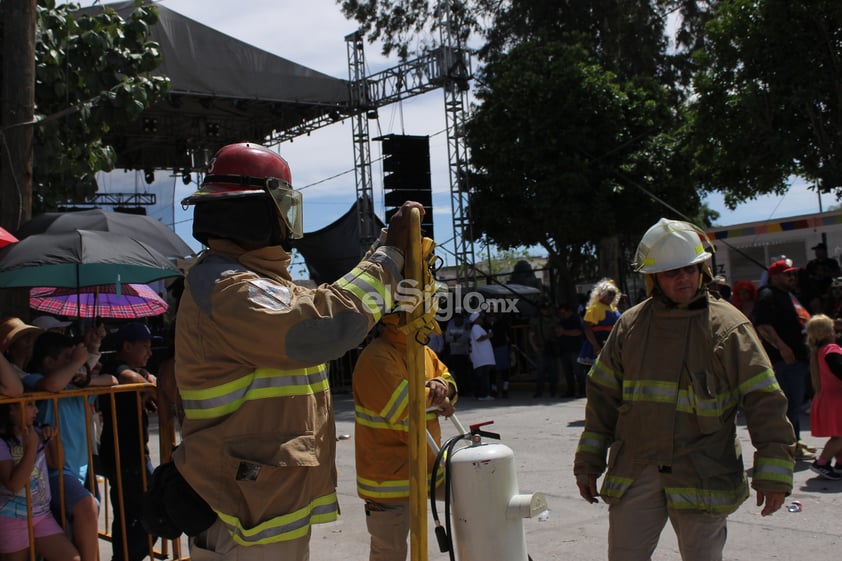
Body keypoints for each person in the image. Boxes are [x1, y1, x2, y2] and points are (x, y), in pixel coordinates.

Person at [173, 141, 422, 559]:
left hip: (260, 501)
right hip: (243, 512)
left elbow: (318, 303)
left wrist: (383, 250)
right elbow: (322, 326)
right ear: (255, 210)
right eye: (282, 205)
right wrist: (389, 259)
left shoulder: (254, 282)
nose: (287, 219)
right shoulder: (230, 288)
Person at [574, 218, 796, 561]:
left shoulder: (728, 327)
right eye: (671, 272)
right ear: (653, 279)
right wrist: (589, 460)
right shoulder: (631, 326)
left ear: (702, 270)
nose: (683, 279)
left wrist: (774, 471)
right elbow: (602, 395)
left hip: (701, 471)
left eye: (690, 269)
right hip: (637, 469)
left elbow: (764, 400)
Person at [352, 314, 457, 561]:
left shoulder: (424, 353)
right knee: (389, 552)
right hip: (388, 481)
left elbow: (451, 383)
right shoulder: (376, 358)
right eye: (424, 327)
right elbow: (403, 407)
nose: (430, 334)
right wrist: (438, 395)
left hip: (428, 469)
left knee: (477, 501)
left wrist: (441, 384)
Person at [23, 332, 117, 561]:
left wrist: (86, 375)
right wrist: (77, 362)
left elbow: (112, 381)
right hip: (52, 472)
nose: (74, 364)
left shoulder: (76, 384)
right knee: (87, 508)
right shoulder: (35, 379)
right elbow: (53, 383)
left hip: (79, 472)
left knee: (85, 516)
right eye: (67, 358)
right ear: (49, 362)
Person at [98, 322, 159, 561]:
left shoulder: (135, 370)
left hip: (136, 455)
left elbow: (146, 379)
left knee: (149, 510)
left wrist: (148, 386)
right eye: (144, 346)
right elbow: (128, 377)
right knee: (134, 513)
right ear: (127, 346)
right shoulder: (115, 366)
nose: (149, 352)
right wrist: (150, 386)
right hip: (123, 456)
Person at [0, 400, 79, 561]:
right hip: (11, 517)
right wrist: (31, 448)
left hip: (41, 515)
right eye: (29, 405)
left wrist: (54, 440)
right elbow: (13, 485)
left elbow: (57, 463)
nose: (36, 410)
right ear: (10, 410)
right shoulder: (2, 442)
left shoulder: (37, 431)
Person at [753, 258, 815, 460]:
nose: (792, 277)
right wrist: (782, 348)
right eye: (787, 274)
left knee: (795, 403)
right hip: (785, 361)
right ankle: (789, 445)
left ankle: (795, 440)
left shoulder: (788, 295)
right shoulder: (767, 295)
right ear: (775, 276)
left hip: (799, 358)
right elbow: (763, 326)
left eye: (793, 274)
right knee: (789, 405)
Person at [804, 315, 842, 479]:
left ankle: (840, 462)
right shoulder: (831, 350)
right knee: (840, 436)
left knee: (838, 435)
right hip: (836, 399)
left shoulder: (819, 350)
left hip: (829, 398)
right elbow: (840, 371)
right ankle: (821, 463)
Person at [576, 279, 621, 370]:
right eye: (609, 293)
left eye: (614, 293)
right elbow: (587, 327)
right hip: (600, 345)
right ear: (601, 293)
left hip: (612, 345)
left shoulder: (613, 308)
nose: (612, 296)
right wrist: (595, 345)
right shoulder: (595, 308)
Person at [529, 300, 559, 398]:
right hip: (541, 348)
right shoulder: (536, 321)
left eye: (548, 309)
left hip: (552, 348)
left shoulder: (555, 320)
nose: (546, 311)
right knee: (540, 371)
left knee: (553, 371)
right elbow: (531, 335)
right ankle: (539, 392)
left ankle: (553, 391)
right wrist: (534, 347)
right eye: (544, 309)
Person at [556, 304, 584, 397]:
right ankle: (570, 391)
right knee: (567, 372)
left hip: (575, 349)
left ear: (569, 311)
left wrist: (564, 332)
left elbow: (578, 332)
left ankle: (582, 391)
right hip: (564, 349)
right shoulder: (562, 321)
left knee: (578, 372)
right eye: (560, 313)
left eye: (563, 312)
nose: (562, 314)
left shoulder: (576, 320)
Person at [443, 312, 472, 397]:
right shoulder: (450, 325)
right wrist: (457, 338)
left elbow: (466, 338)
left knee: (464, 374)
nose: (458, 320)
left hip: (464, 353)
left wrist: (454, 338)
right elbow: (447, 338)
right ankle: (457, 391)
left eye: (460, 318)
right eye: (456, 318)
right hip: (454, 354)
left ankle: (465, 391)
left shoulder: (466, 326)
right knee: (455, 374)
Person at [468, 311, 495, 400]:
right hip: (481, 357)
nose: (481, 319)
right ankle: (483, 395)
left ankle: (481, 394)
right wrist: (489, 336)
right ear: (476, 320)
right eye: (480, 318)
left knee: (484, 375)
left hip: (483, 357)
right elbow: (479, 338)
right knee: (483, 376)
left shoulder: (478, 327)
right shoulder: (475, 327)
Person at [806, 242, 841, 310]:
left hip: (830, 290)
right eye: (816, 251)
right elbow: (807, 277)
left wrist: (825, 274)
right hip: (816, 292)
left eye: (818, 250)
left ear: (824, 251)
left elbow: (838, 274)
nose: (816, 252)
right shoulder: (811, 264)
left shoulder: (831, 262)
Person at [489, 314, 511, 398]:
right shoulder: (485, 325)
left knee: (504, 368)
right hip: (490, 349)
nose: (491, 317)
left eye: (493, 315)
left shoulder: (502, 324)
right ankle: (493, 388)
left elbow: (508, 336)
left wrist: (509, 347)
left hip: (501, 347)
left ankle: (505, 387)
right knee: (492, 369)